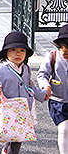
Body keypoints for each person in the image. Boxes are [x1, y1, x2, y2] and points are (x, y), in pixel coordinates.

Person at [0, 31, 47, 154]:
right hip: (6, 111)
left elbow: (30, 87)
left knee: (16, 139)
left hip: (22, 111)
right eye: (13, 50)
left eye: (22, 50)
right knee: (15, 140)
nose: (18, 53)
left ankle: (6, 151)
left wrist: (43, 95)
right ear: (6, 53)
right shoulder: (0, 69)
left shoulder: (26, 68)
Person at [37, 24, 68, 154]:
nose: (64, 52)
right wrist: (46, 85)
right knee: (64, 129)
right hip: (58, 102)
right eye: (62, 48)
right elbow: (42, 74)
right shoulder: (53, 56)